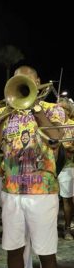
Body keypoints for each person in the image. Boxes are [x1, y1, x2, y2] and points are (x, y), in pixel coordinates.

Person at [0, 65, 64, 268]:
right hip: (10, 192)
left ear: (38, 83)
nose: (23, 85)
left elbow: (56, 137)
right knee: (13, 248)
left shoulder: (52, 109)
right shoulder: (4, 114)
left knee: (46, 252)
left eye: (28, 80)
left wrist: (36, 109)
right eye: (19, 81)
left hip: (42, 191)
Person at [57, 97, 74, 240]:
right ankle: (66, 228)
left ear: (69, 111)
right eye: (58, 108)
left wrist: (70, 149)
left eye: (63, 108)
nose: (59, 111)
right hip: (56, 168)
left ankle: (68, 227)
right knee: (63, 199)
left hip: (70, 167)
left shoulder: (73, 125)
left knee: (68, 199)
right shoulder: (51, 125)